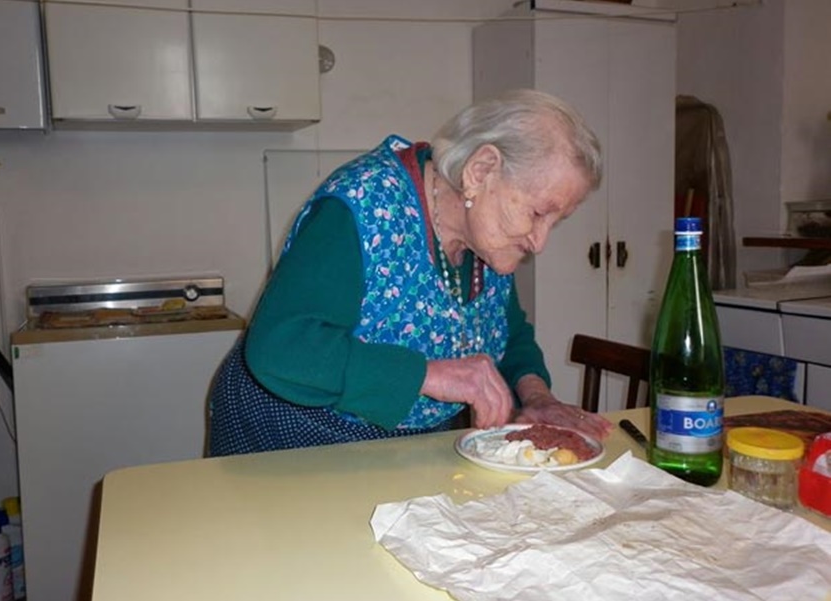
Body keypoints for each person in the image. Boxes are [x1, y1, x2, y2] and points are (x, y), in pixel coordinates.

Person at [208, 89, 613, 456]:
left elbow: (509, 334)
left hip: (398, 448)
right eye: (538, 213)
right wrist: (428, 374)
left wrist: (537, 397)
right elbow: (282, 347)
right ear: (480, 171)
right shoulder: (364, 206)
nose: (539, 242)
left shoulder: (487, 240)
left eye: (553, 223)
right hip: (289, 437)